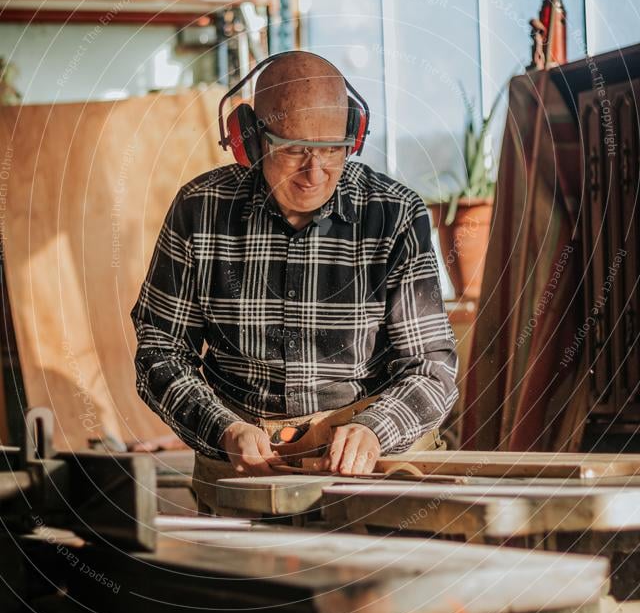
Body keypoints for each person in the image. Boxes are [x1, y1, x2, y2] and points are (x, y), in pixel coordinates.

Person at [130, 50, 458, 504]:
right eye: (295, 150)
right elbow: (159, 352)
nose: (315, 171)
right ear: (249, 139)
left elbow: (431, 369)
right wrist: (223, 429)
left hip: (371, 468)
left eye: (331, 149)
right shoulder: (199, 211)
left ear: (354, 136)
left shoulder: (395, 214)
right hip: (238, 465)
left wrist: (373, 430)